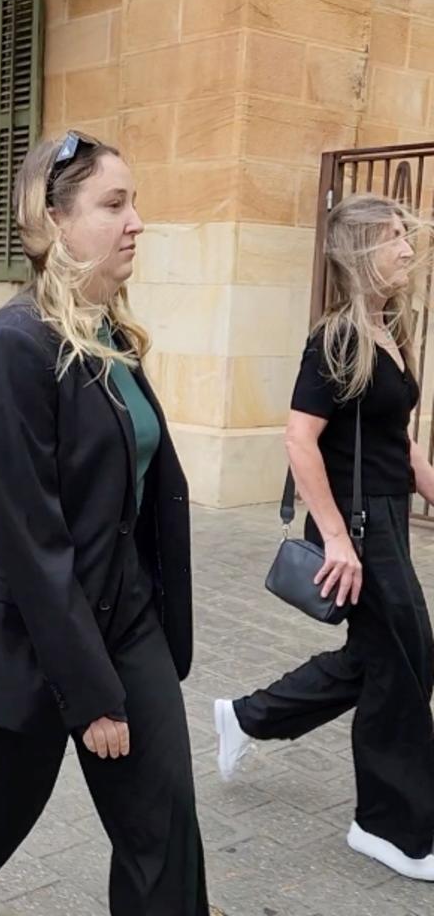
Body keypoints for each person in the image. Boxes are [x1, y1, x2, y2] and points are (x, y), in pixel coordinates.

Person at [0, 130, 209, 916]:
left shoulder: (109, 332)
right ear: (53, 221)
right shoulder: (15, 345)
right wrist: (91, 695)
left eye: (135, 202)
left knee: (165, 837)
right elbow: (30, 542)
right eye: (113, 204)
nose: (136, 223)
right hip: (23, 640)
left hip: (127, 621)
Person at [215, 193, 434, 880]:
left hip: (386, 516)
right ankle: (388, 829)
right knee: (407, 658)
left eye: (407, 234)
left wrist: (428, 483)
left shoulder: (391, 329)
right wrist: (336, 538)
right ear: (361, 249)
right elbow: (299, 438)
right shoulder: (336, 338)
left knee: (381, 656)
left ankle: (248, 717)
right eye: (393, 236)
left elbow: (401, 437)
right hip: (357, 524)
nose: (406, 247)